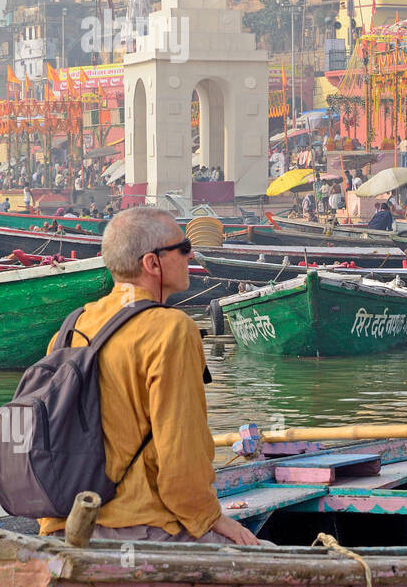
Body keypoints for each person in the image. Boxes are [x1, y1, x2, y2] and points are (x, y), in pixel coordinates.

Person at [37, 207, 258, 546]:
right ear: (152, 263)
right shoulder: (172, 330)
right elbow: (180, 456)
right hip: (141, 528)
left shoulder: (71, 327)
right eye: (182, 248)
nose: (191, 255)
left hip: (65, 523)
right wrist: (211, 518)